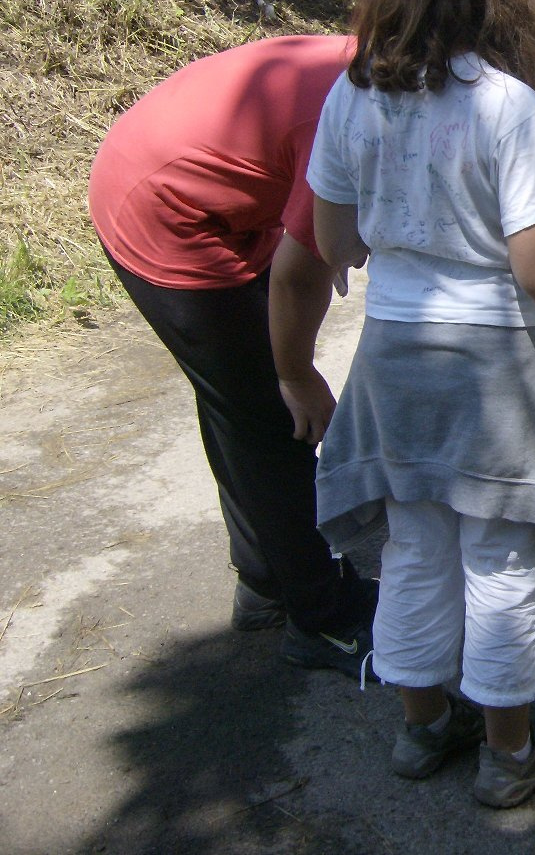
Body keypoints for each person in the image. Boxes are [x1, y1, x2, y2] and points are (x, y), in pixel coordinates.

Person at [306, 0, 535, 807]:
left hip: (393, 355)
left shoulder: (356, 92)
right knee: (504, 553)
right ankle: (511, 752)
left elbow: (331, 238)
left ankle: (421, 728)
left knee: (415, 542)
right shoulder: (506, 104)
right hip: (497, 365)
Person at [87, 34, 378, 678]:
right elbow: (302, 276)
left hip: (220, 195)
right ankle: (322, 617)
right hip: (162, 208)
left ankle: (265, 582)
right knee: (270, 413)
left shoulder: (380, 65)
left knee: (238, 396)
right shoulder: (348, 111)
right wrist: (296, 374)